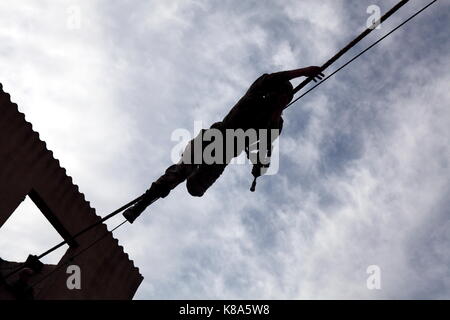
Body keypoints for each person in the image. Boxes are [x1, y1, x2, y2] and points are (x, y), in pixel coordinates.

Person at [123, 66, 324, 223]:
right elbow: (272, 78)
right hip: (214, 138)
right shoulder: (255, 96)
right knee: (180, 172)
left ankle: (190, 172)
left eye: (286, 100)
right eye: (280, 97)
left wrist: (259, 166)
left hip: (224, 155)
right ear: (272, 94)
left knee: (195, 189)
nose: (281, 101)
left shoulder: (275, 124)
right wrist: (304, 72)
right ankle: (141, 205)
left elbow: (265, 150)